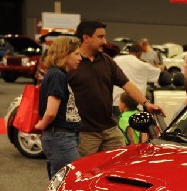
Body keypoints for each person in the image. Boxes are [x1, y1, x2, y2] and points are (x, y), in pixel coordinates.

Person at [68, 20, 163, 157]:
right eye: (100, 37)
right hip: (85, 133)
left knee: (118, 165)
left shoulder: (107, 61)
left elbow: (127, 84)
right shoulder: (72, 63)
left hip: (110, 129)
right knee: (85, 173)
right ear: (86, 38)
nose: (105, 41)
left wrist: (146, 103)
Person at [34, 36, 82, 179]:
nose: (80, 58)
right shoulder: (57, 75)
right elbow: (51, 112)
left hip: (62, 136)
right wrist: (42, 125)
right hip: (60, 137)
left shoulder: (58, 74)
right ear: (64, 54)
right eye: (76, 54)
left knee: (60, 181)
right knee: (69, 181)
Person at [112, 43, 161, 114]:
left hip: (116, 103)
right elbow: (158, 74)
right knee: (135, 124)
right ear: (139, 53)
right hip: (137, 104)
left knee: (119, 124)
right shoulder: (143, 65)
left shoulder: (115, 60)